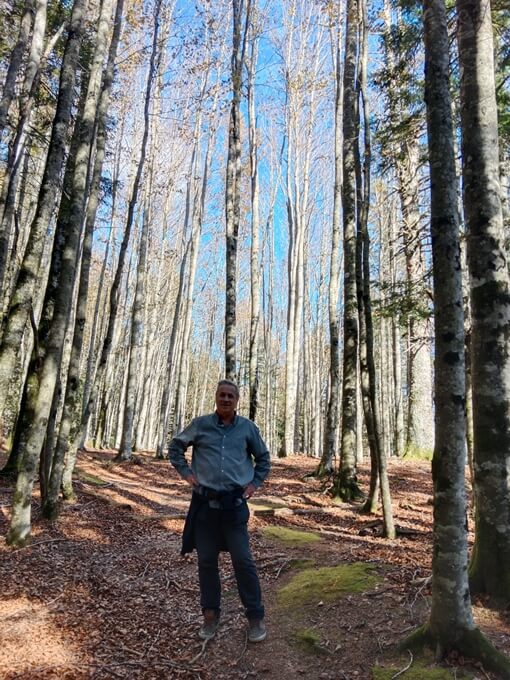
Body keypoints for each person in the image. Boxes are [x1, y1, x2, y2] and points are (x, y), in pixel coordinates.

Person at [168, 379, 271, 643]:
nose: (226, 399)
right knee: (206, 562)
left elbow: (263, 459)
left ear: (237, 400)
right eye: (222, 395)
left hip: (235, 507)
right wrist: (187, 475)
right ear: (216, 397)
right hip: (205, 508)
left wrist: (254, 484)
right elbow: (175, 447)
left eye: (231, 396)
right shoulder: (201, 425)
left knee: (243, 561)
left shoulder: (247, 428)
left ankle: (255, 618)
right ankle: (210, 617)